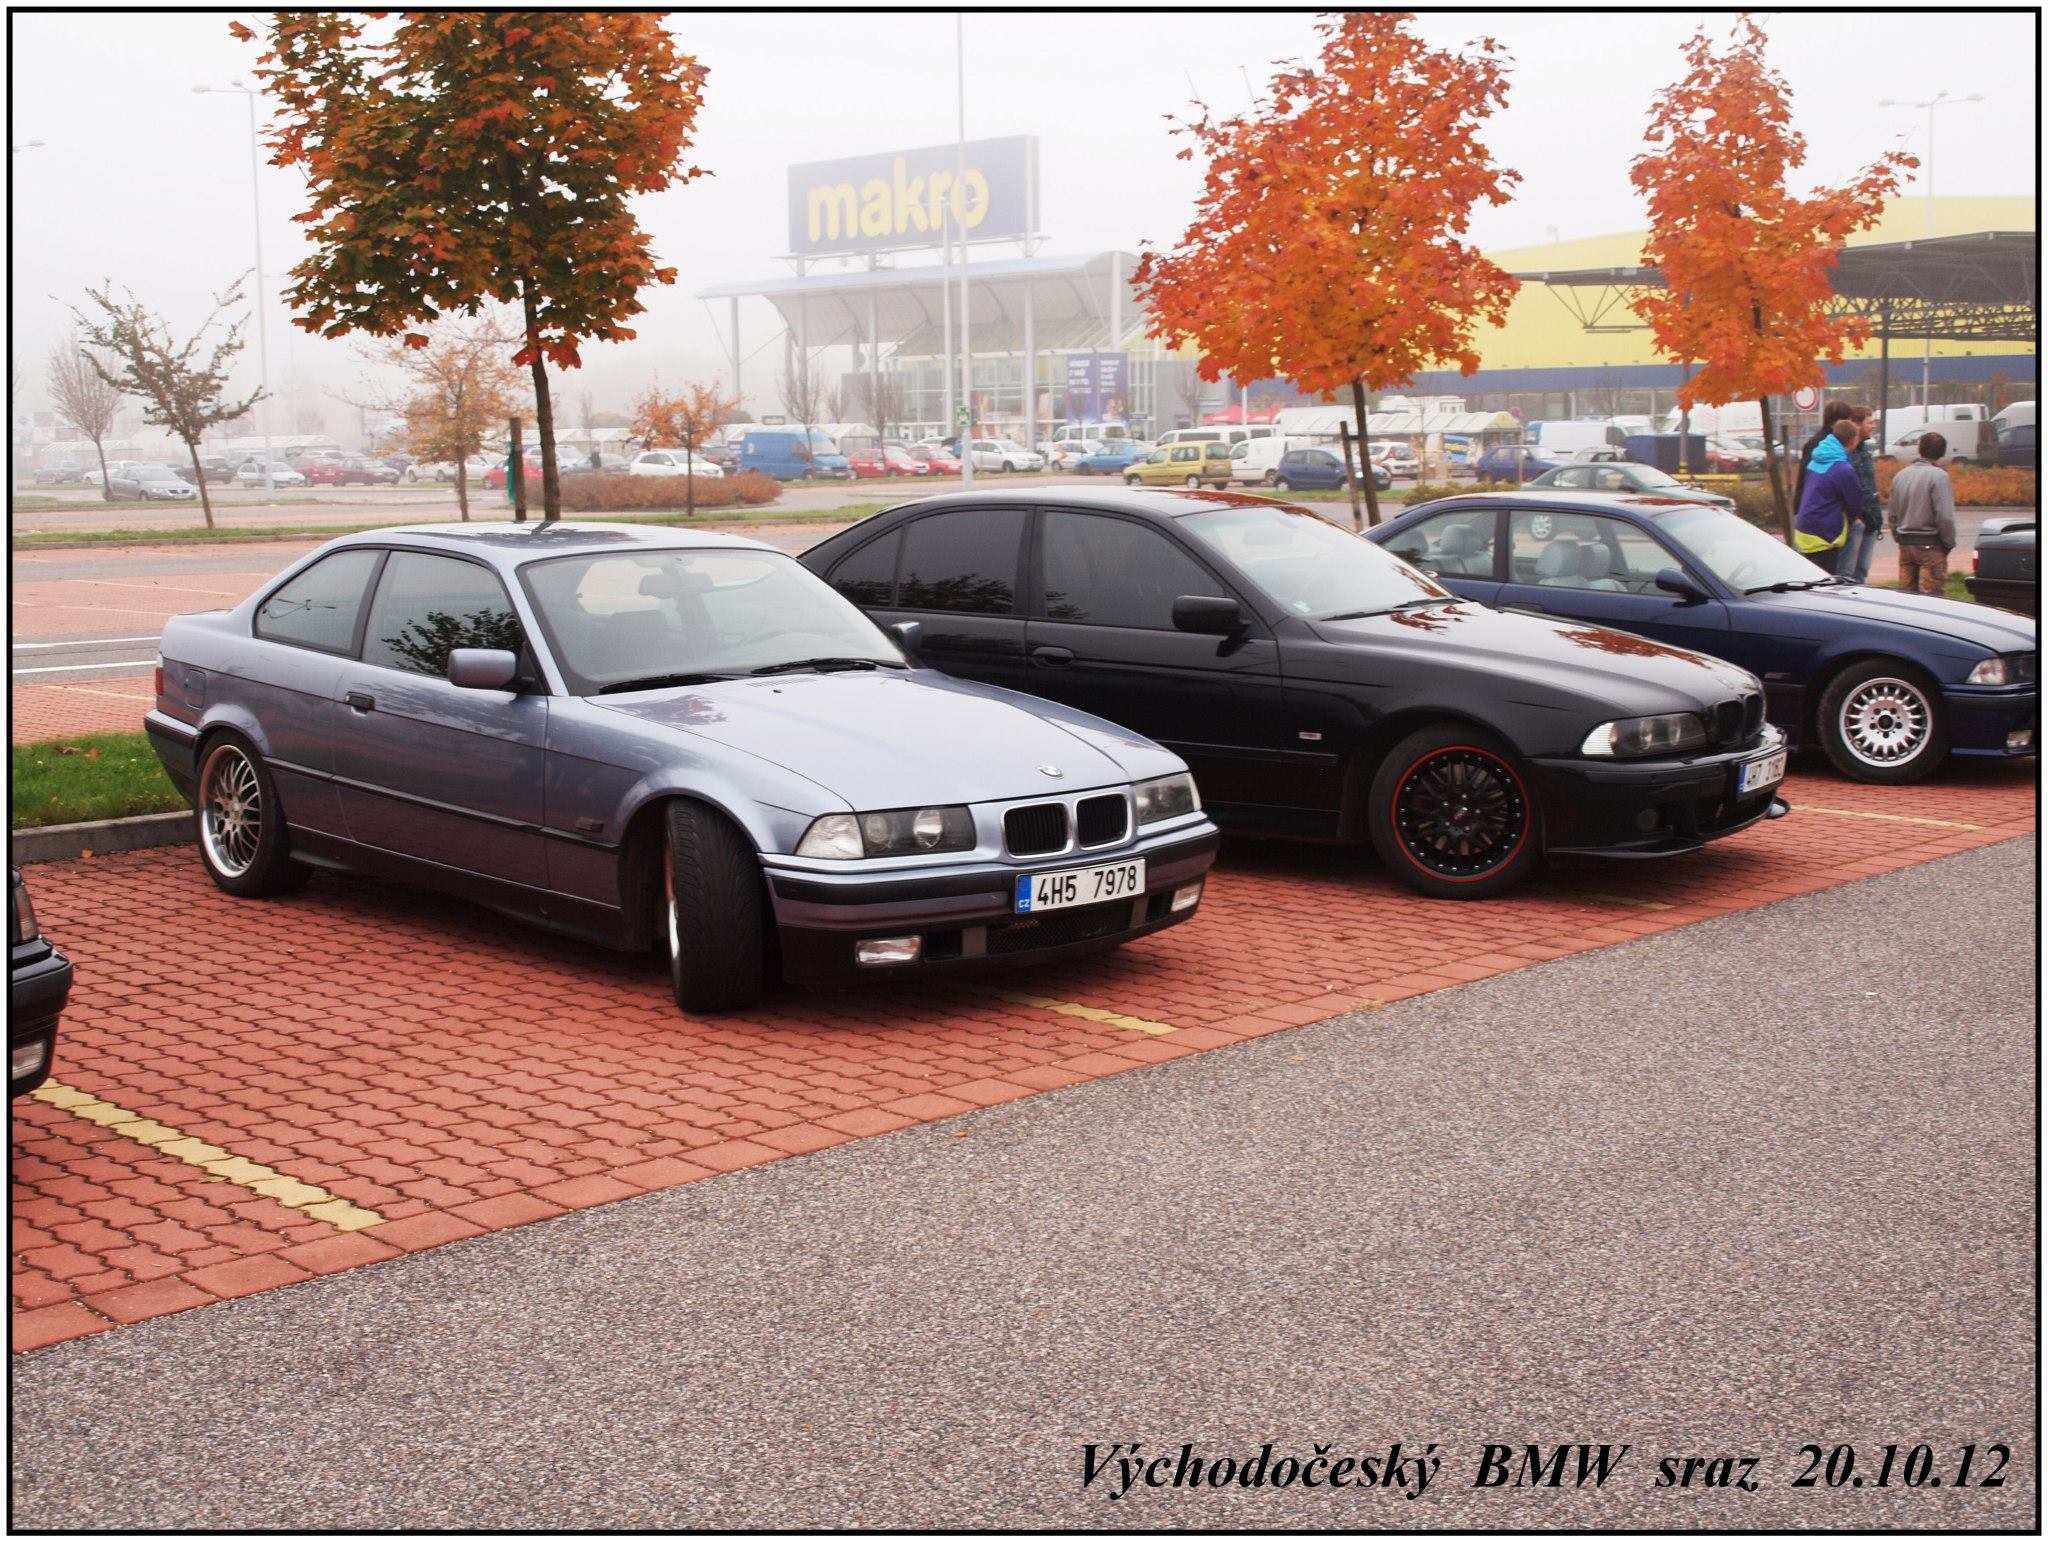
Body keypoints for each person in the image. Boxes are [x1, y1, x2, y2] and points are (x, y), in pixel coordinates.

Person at [1887, 431, 1957, 597]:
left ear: (1919, 448)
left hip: (1906, 545)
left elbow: (1892, 514)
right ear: (1942, 452)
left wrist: (1899, 536)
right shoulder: (1939, 476)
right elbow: (1945, 517)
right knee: (1931, 600)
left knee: (1906, 599)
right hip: (1931, 545)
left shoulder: (1901, 475)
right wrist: (1949, 543)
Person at [1792, 419, 1862, 573]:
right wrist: (1853, 518)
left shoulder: (1817, 459)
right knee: (1825, 580)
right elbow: (1854, 502)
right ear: (1853, 440)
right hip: (1825, 532)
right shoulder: (1843, 469)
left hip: (1805, 527)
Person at [1833, 404, 1884, 584]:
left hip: (1871, 520)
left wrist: (1875, 518)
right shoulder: (1845, 454)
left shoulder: (1864, 451)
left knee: (1861, 571)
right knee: (1846, 573)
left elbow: (1868, 485)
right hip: (1855, 522)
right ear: (1856, 423)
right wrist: (1856, 517)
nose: (1874, 426)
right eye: (1870, 422)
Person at [1792, 399, 1855, 509]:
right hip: (1817, 507)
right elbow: (1806, 478)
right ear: (1839, 421)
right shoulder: (1821, 444)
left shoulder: (1829, 441)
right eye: (1849, 421)